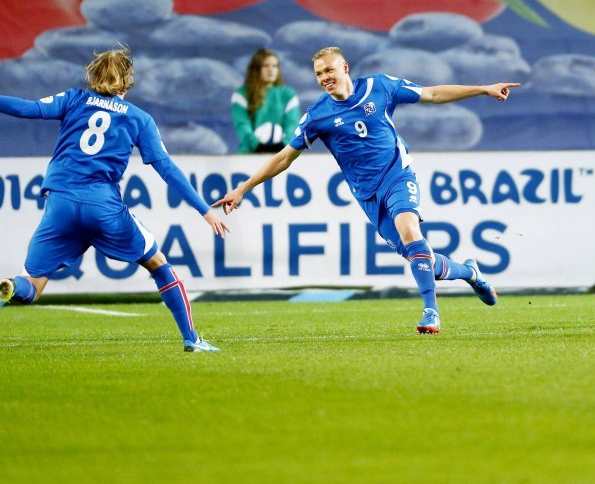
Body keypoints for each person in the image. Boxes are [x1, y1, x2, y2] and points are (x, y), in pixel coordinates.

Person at [213, 46, 519, 334]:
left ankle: (431, 311)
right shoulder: (318, 116)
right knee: (420, 258)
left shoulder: (380, 86)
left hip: (398, 175)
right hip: (368, 196)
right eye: (319, 74)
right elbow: (283, 158)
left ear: (344, 67)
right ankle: (469, 272)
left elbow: (433, 93)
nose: (325, 78)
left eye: (329, 70)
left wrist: (483, 88)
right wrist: (243, 188)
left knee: (410, 230)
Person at [0, 48, 230, 352]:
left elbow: (26, 109)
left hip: (61, 203)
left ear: (93, 75)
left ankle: (13, 286)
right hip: (102, 206)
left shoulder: (73, 99)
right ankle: (191, 338)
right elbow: (167, 170)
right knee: (157, 263)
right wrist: (204, 210)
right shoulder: (139, 119)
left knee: (34, 283)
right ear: (128, 80)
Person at [232, 48, 300, 154]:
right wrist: (257, 146)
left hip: (281, 156)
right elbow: (242, 124)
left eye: (274, 66)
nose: (271, 70)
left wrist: (282, 146)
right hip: (249, 155)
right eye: (266, 66)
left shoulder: (288, 95)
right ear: (256, 69)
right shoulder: (242, 94)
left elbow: (292, 124)